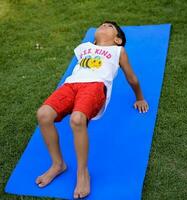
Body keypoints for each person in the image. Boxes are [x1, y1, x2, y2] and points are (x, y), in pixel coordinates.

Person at [35, 20, 149, 199]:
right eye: (102, 24)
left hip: (95, 86)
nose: (104, 26)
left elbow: (132, 77)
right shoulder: (83, 47)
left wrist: (140, 97)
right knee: (43, 114)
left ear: (118, 40)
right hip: (71, 86)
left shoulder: (118, 51)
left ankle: (82, 173)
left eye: (109, 26)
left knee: (77, 119)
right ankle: (58, 164)